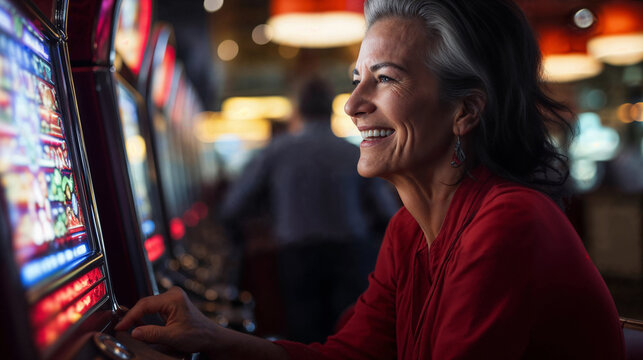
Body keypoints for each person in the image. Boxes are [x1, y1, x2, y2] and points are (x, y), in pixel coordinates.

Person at [115, 0, 625, 358]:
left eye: (385, 78)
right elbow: (350, 355)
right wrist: (212, 336)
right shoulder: (409, 230)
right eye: (357, 79)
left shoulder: (510, 222)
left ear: (465, 111)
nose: (354, 105)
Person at [220, 76, 400, 343]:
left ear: (298, 109)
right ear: (331, 108)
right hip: (351, 253)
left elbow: (233, 207)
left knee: (306, 342)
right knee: (353, 339)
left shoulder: (277, 151)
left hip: (297, 257)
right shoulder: (354, 153)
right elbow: (388, 212)